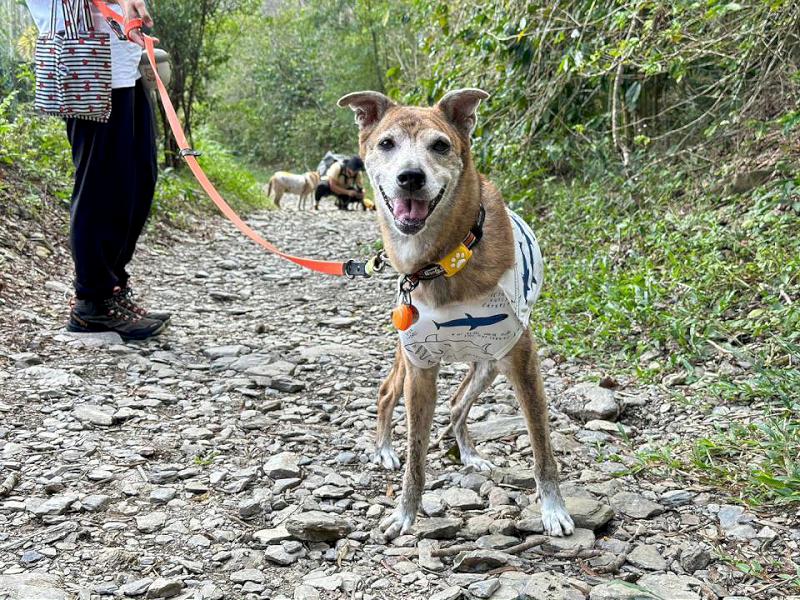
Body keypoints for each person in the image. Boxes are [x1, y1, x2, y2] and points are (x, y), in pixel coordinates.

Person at [25, 0, 170, 340]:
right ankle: (92, 301)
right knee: (102, 182)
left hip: (123, 61)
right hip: (84, 58)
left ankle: (114, 287)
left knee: (139, 177)